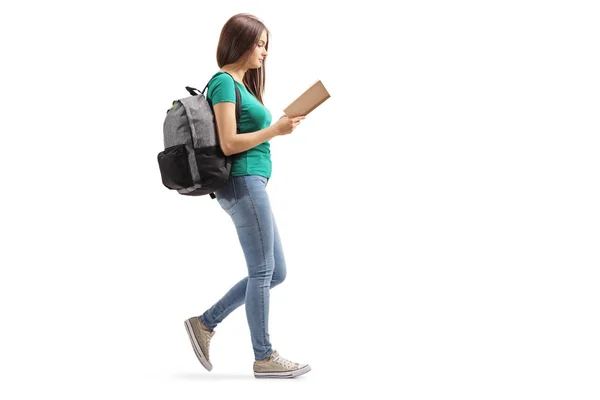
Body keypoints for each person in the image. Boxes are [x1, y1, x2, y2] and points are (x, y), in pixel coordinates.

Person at [183, 13, 311, 379]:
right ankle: (263, 356)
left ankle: (205, 323)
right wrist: (275, 130)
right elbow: (227, 143)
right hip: (242, 182)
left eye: (267, 44)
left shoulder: (242, 85)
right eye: (259, 43)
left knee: (276, 271)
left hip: (252, 183)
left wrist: (278, 127)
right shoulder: (225, 83)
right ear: (239, 42)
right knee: (262, 270)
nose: (265, 52)